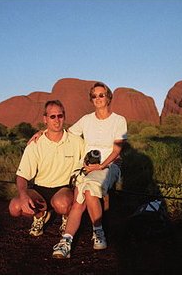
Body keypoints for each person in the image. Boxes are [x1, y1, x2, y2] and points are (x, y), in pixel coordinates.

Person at [52, 81, 127, 259]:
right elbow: (68, 133)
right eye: (94, 96)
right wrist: (42, 132)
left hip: (108, 165)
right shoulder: (86, 120)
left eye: (101, 95)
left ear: (108, 97)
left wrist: (100, 166)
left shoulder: (119, 120)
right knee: (80, 196)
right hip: (86, 165)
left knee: (90, 189)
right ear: (91, 99)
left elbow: (117, 150)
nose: (98, 98)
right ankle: (66, 241)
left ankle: (98, 232)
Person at [8, 100, 85, 238]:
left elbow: (89, 158)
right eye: (52, 116)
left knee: (61, 204)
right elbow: (22, 176)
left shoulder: (76, 141)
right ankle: (40, 215)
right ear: (45, 119)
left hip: (64, 189)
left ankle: (67, 218)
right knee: (15, 207)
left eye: (60, 116)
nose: (57, 120)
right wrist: (24, 195)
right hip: (39, 189)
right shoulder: (36, 143)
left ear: (64, 116)